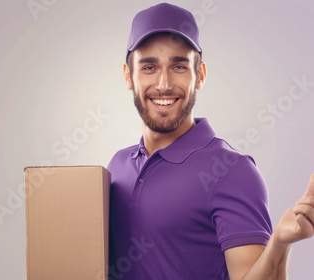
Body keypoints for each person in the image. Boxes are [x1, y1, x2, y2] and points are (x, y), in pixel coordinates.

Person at [107, 3, 314, 279]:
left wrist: (279, 243)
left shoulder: (231, 171)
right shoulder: (117, 166)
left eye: (179, 66)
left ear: (200, 75)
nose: (164, 84)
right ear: (128, 76)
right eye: (149, 67)